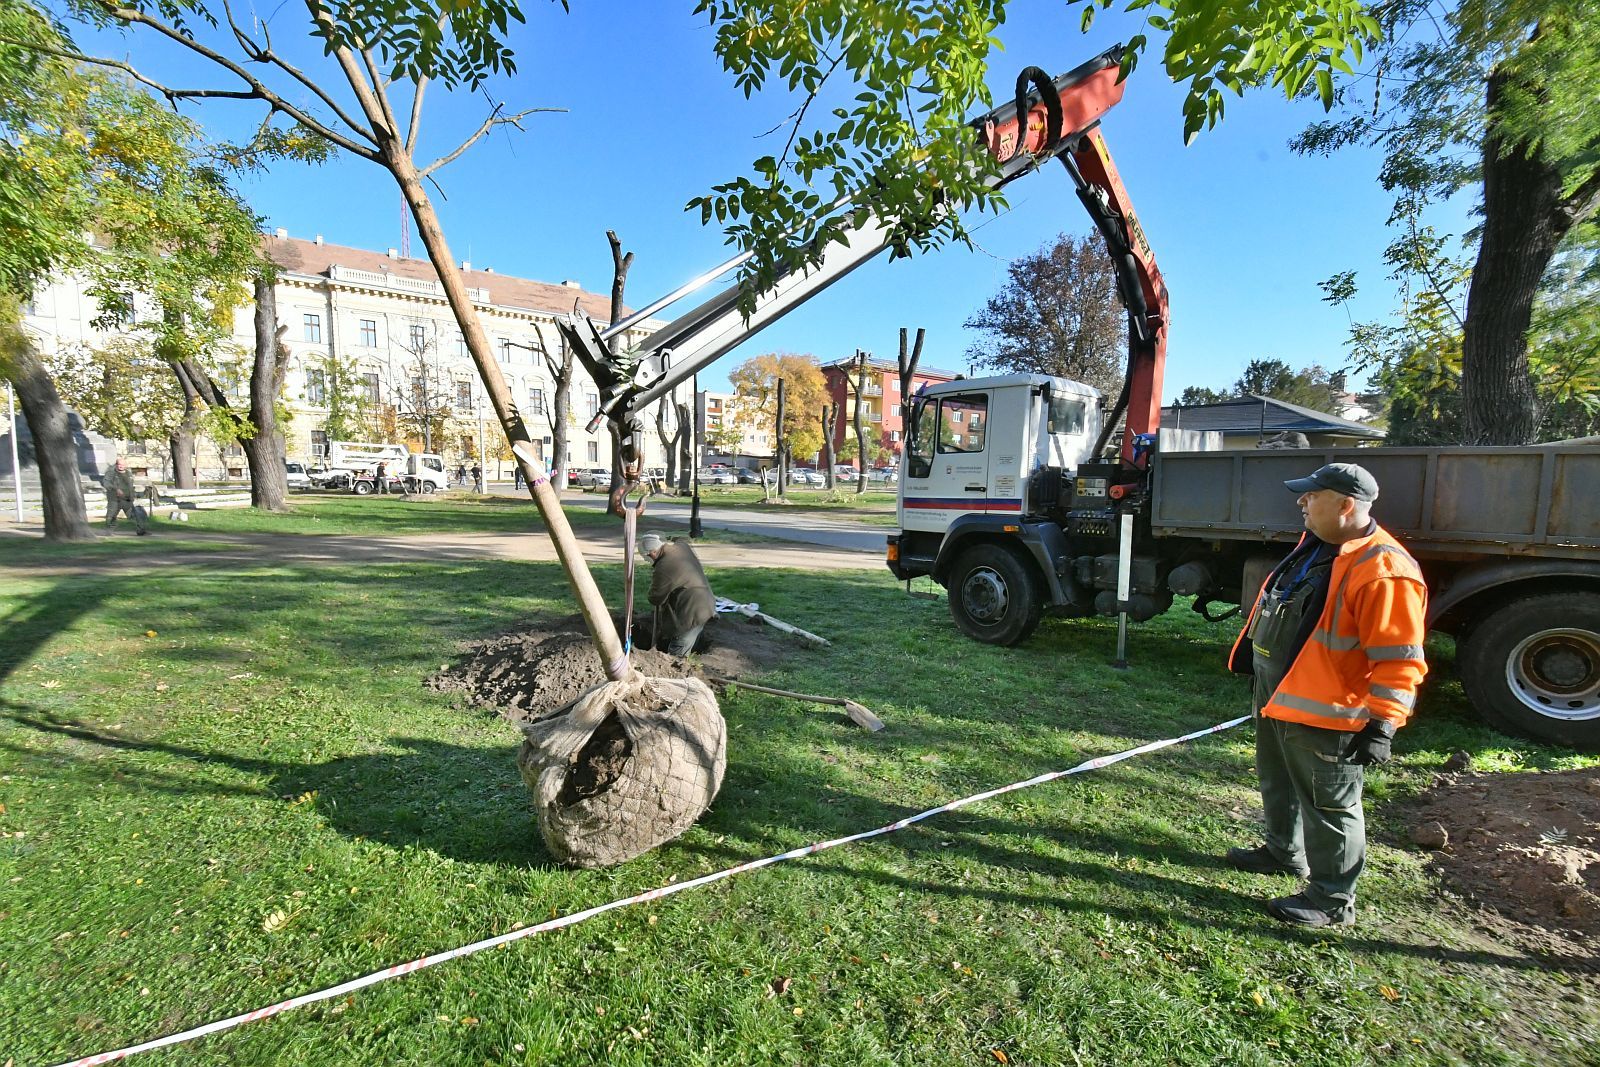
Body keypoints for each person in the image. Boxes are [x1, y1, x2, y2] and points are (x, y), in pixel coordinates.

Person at [1225, 462, 1428, 928]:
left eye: (1311, 496)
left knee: (1330, 805)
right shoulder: (1317, 548)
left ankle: (1332, 899)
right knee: (1278, 781)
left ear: (1346, 505)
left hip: (1327, 714)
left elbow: (1399, 657)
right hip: (1280, 697)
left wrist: (1383, 723)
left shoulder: (1384, 569)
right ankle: (1283, 852)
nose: (1301, 502)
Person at [640, 531, 715, 656]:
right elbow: (682, 538)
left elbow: (655, 598)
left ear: (653, 552)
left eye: (648, 555)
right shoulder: (682, 547)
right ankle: (690, 653)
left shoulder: (663, 567)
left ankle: (678, 668)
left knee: (676, 655)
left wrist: (655, 583)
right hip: (705, 603)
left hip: (691, 612)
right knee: (693, 635)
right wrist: (670, 537)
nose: (648, 559)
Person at [101, 456, 147, 535]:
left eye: (123, 465)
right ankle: (108, 532)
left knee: (134, 515)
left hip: (127, 499)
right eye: (119, 464)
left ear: (125, 465)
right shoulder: (111, 472)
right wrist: (115, 489)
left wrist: (134, 494)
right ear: (116, 464)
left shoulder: (128, 473)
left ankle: (141, 531)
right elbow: (106, 483)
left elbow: (130, 485)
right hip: (114, 499)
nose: (121, 466)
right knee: (111, 516)